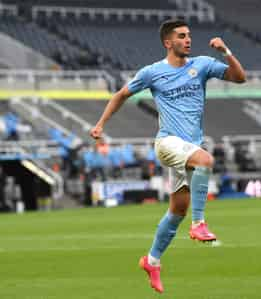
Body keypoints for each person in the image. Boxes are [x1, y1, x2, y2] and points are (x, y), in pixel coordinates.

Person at [89, 19, 246, 293]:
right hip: (168, 143)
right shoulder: (152, 72)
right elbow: (121, 95)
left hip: (187, 149)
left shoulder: (203, 64)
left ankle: (151, 261)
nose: (188, 40)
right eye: (182, 36)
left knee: (177, 211)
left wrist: (226, 51)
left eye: (189, 36)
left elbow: (239, 78)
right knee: (206, 160)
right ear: (167, 42)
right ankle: (199, 224)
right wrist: (101, 124)